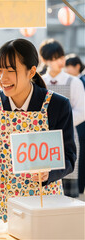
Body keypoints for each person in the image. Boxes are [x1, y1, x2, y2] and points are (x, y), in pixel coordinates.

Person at [0, 38, 76, 222]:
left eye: (10, 71)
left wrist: (50, 173)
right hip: (1, 201)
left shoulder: (57, 105)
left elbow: (69, 156)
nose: (2, 78)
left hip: (44, 201)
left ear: (31, 71)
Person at [39, 39, 85, 198]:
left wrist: (61, 124)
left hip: (67, 137)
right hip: (44, 141)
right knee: (45, 179)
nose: (60, 61)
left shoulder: (74, 82)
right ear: (45, 60)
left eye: (61, 57)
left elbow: (82, 111)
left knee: (67, 174)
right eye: (54, 58)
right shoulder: (40, 82)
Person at [65, 53, 85, 195]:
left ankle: (80, 186)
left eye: (69, 66)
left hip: (80, 125)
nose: (66, 69)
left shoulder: (79, 81)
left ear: (77, 66)